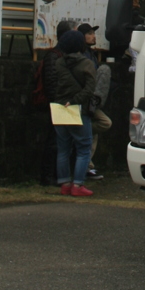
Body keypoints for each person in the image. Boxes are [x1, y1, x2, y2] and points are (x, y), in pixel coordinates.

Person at [45, 30, 99, 197]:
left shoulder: (59, 63)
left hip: (60, 109)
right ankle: (78, 184)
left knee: (63, 149)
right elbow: (90, 89)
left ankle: (65, 183)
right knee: (83, 148)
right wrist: (76, 100)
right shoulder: (87, 64)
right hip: (78, 109)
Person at [78, 22, 111, 181]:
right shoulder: (80, 55)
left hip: (91, 101)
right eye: (90, 33)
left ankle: (88, 166)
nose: (93, 36)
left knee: (97, 128)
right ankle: (86, 167)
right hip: (85, 99)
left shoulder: (91, 54)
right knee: (103, 124)